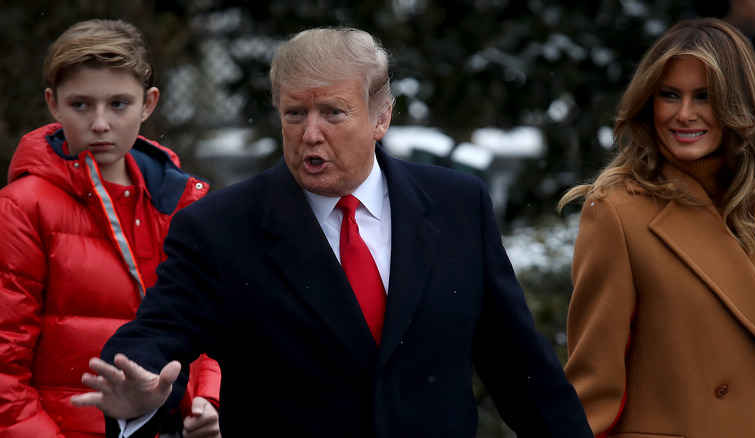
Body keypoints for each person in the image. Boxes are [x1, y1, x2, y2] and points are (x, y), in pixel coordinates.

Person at [69, 27, 593, 437]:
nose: (310, 133)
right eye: (295, 113)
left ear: (381, 116)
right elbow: (157, 334)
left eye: (333, 113)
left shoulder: (458, 204)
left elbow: (518, 365)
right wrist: (137, 383)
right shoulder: (221, 228)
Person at [558, 18, 755, 437]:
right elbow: (594, 381)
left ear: (740, 103)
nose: (684, 114)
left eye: (705, 97)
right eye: (669, 95)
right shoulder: (618, 211)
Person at [0, 19, 221, 437]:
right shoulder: (21, 207)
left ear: (148, 103)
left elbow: (213, 327)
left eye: (119, 104)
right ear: (53, 103)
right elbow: (4, 369)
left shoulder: (184, 203)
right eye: (80, 104)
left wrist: (207, 401)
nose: (100, 123)